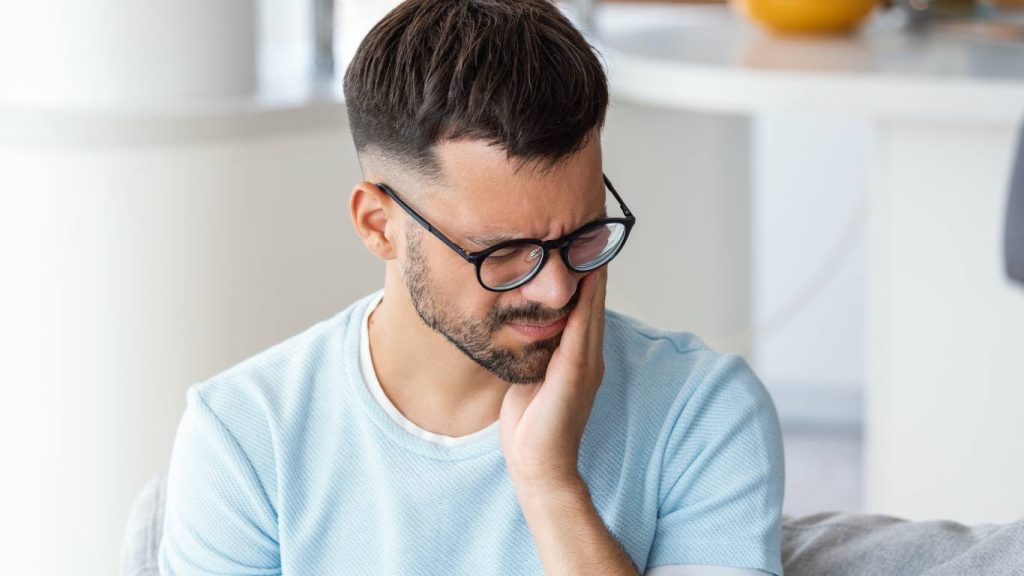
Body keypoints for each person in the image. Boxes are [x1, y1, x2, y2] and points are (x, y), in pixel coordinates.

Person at [157, 1, 785, 574]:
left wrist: (549, 483)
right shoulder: (245, 435)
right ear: (380, 226)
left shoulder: (699, 412)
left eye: (584, 236)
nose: (556, 288)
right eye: (505, 253)